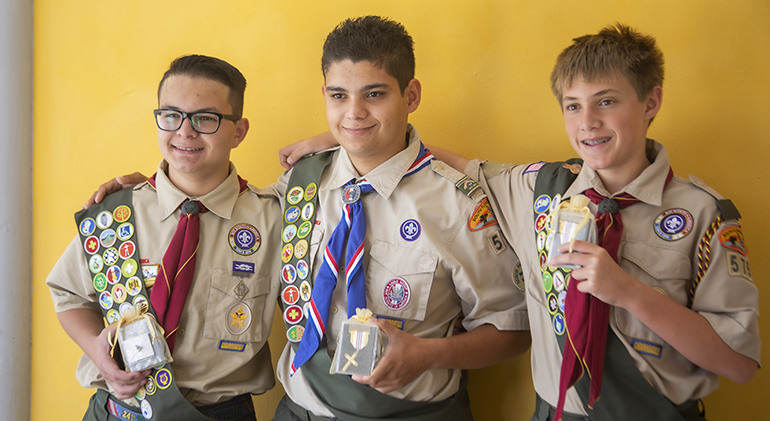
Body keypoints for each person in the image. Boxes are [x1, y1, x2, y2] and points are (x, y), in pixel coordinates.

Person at [282, 24, 761, 421]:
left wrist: (628, 292)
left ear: (651, 102)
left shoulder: (702, 212)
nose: (588, 121)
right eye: (573, 106)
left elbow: (740, 365)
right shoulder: (539, 191)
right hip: (555, 413)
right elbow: (443, 162)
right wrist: (346, 130)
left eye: (608, 101)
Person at [84, 16, 530, 421]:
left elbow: (512, 328)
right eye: (339, 96)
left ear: (410, 95)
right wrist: (154, 185)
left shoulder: (458, 204)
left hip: (413, 413)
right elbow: (219, 212)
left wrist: (429, 354)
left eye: (374, 94)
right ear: (325, 97)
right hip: (300, 409)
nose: (353, 112)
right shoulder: (299, 185)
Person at [47, 55, 282, 421]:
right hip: (118, 410)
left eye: (206, 118)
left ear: (239, 131)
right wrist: (97, 352)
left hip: (219, 413)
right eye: (171, 115)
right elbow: (69, 294)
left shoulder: (274, 220)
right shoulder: (116, 213)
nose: (185, 132)